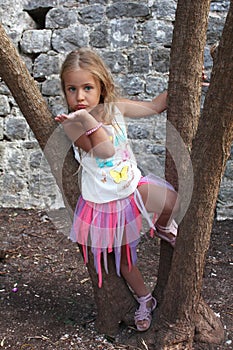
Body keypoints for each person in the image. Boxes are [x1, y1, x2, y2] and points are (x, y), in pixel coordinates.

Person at [55, 48, 179, 332]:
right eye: (71, 89)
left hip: (133, 188)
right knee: (125, 262)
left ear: (102, 86)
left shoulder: (115, 107)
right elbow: (104, 150)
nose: (80, 97)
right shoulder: (73, 126)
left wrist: (186, 82)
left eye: (87, 88)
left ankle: (161, 227)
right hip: (106, 206)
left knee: (171, 201)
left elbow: (154, 107)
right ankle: (145, 301)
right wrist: (86, 120)